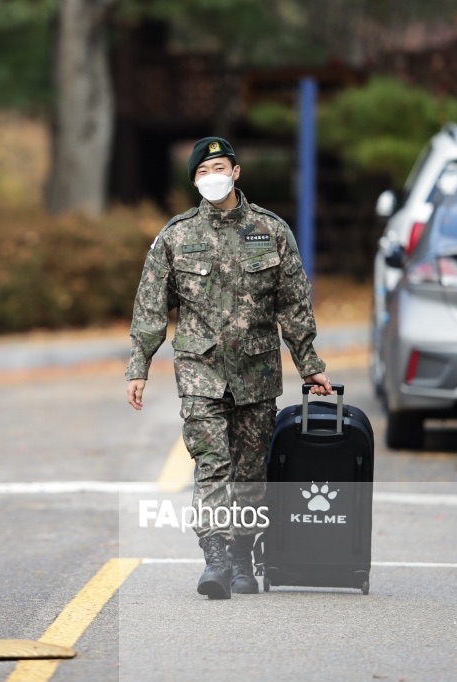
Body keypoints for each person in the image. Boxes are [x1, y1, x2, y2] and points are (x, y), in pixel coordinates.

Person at [125, 136, 332, 600]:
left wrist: (308, 363)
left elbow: (294, 302)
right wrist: (139, 364)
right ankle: (216, 558)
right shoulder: (177, 237)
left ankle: (243, 556)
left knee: (251, 472)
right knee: (212, 465)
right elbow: (151, 305)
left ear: (236, 172)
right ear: (194, 181)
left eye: (218, 167)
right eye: (201, 172)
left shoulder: (271, 231)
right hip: (200, 368)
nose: (211, 177)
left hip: (257, 371)